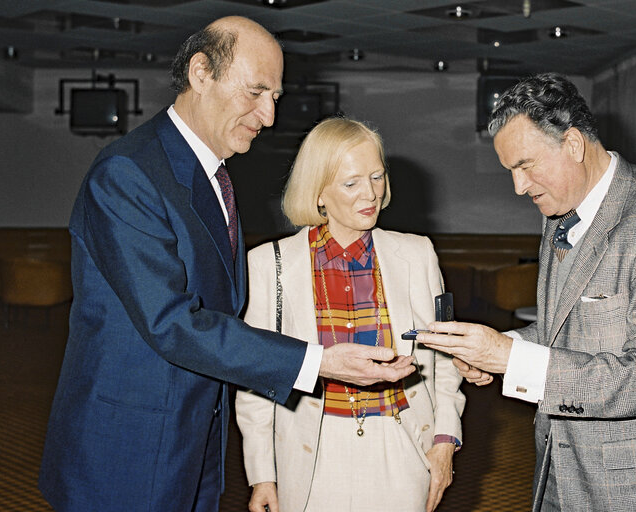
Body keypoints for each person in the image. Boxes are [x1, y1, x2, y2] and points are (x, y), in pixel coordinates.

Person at [38, 17, 414, 512]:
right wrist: (316, 360)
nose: (270, 115)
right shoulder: (128, 173)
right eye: (257, 92)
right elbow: (172, 323)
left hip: (192, 444)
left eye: (275, 97)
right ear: (201, 73)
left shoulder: (213, 175)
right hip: (126, 449)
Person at [418, 73, 636, 511]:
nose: (519, 187)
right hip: (560, 467)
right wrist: (506, 346)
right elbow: (565, 327)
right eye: (511, 171)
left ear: (575, 145)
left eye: (525, 166)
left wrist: (511, 359)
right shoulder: (560, 212)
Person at [235, 117, 465, 512]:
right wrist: (262, 475)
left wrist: (445, 441)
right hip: (312, 449)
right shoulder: (269, 265)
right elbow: (258, 378)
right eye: (351, 182)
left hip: (402, 443)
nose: (370, 194)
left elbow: (444, 361)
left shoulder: (416, 254)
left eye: (377, 177)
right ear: (319, 192)